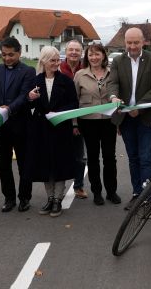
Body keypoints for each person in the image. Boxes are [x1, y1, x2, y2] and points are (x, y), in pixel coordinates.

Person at [107, 27, 151, 210]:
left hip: (145, 116)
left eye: (136, 42)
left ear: (143, 42)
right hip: (126, 118)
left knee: (146, 157)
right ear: (125, 43)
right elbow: (112, 82)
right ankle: (136, 193)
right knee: (133, 158)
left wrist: (138, 107)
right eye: (129, 43)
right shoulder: (118, 61)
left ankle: (147, 197)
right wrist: (113, 97)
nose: (132, 46)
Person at [0, 37, 35, 213]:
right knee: (3, 164)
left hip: (21, 124)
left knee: (24, 163)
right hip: (0, 126)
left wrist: (9, 108)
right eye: (3, 55)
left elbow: (24, 95)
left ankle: (24, 198)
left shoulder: (28, 71)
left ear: (19, 53)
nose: (7, 58)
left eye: (11, 55)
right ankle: (9, 198)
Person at [26, 46, 79, 217]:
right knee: (45, 164)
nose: (56, 63)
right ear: (43, 61)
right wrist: (29, 98)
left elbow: (73, 103)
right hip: (40, 128)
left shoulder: (66, 81)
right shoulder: (35, 81)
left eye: (58, 60)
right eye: (52, 60)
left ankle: (57, 199)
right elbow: (28, 104)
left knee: (60, 163)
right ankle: (49, 198)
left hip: (61, 127)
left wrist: (59, 113)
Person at [75, 43, 120, 206]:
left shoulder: (112, 73)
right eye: (91, 55)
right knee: (93, 158)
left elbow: (118, 94)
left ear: (103, 56)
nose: (94, 57)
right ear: (87, 57)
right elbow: (75, 101)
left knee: (110, 157)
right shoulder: (80, 75)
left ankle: (111, 191)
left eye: (97, 54)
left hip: (109, 121)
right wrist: (74, 124)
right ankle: (97, 192)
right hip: (88, 122)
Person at [59, 40, 87, 199]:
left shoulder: (86, 69)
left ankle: (78, 186)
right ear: (66, 51)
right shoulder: (58, 68)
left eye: (77, 50)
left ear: (81, 52)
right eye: (71, 50)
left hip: (80, 118)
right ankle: (60, 188)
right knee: (61, 155)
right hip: (61, 118)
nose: (74, 53)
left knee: (79, 156)